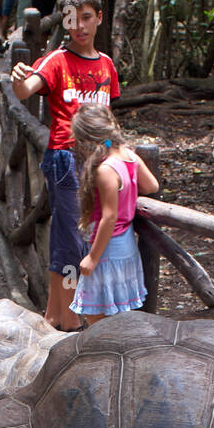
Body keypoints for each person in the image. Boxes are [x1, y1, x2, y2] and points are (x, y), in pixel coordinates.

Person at [10, 0, 119, 330]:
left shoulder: (106, 66)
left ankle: (57, 316)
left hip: (99, 161)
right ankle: (69, 316)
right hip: (66, 159)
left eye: (87, 18)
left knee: (83, 236)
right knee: (71, 238)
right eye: (72, 19)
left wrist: (116, 155)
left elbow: (109, 116)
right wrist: (17, 80)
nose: (80, 27)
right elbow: (27, 88)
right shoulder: (57, 59)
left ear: (99, 18)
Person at [69, 104, 159, 322]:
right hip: (125, 244)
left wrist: (92, 258)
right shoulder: (129, 156)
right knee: (120, 312)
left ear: (88, 140)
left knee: (96, 317)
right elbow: (152, 186)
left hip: (107, 251)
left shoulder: (106, 170)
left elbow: (109, 218)